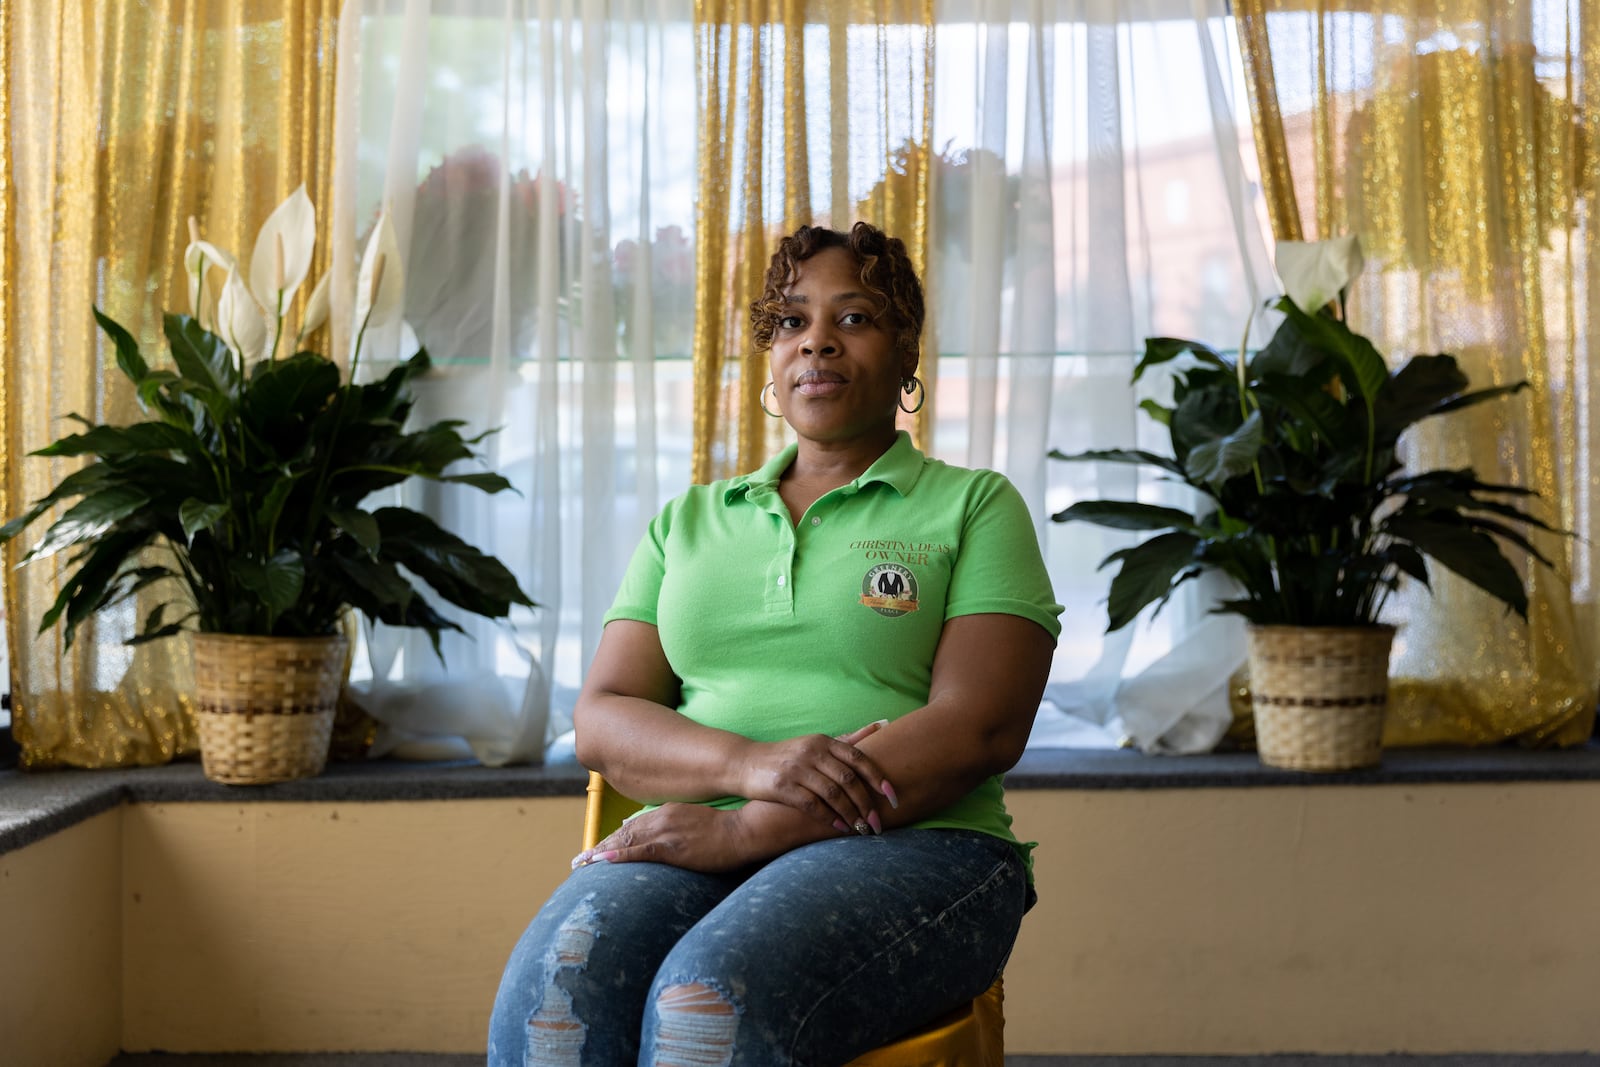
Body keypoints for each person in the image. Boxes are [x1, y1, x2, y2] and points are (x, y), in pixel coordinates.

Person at [489, 221, 1062, 1066]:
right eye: (792, 321)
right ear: (770, 355)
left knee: (706, 1001)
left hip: (919, 846)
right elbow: (604, 719)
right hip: (689, 837)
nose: (817, 341)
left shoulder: (973, 505)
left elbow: (980, 725)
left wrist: (747, 830)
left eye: (855, 317)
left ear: (907, 352)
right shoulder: (685, 522)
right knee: (551, 1002)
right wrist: (748, 768)